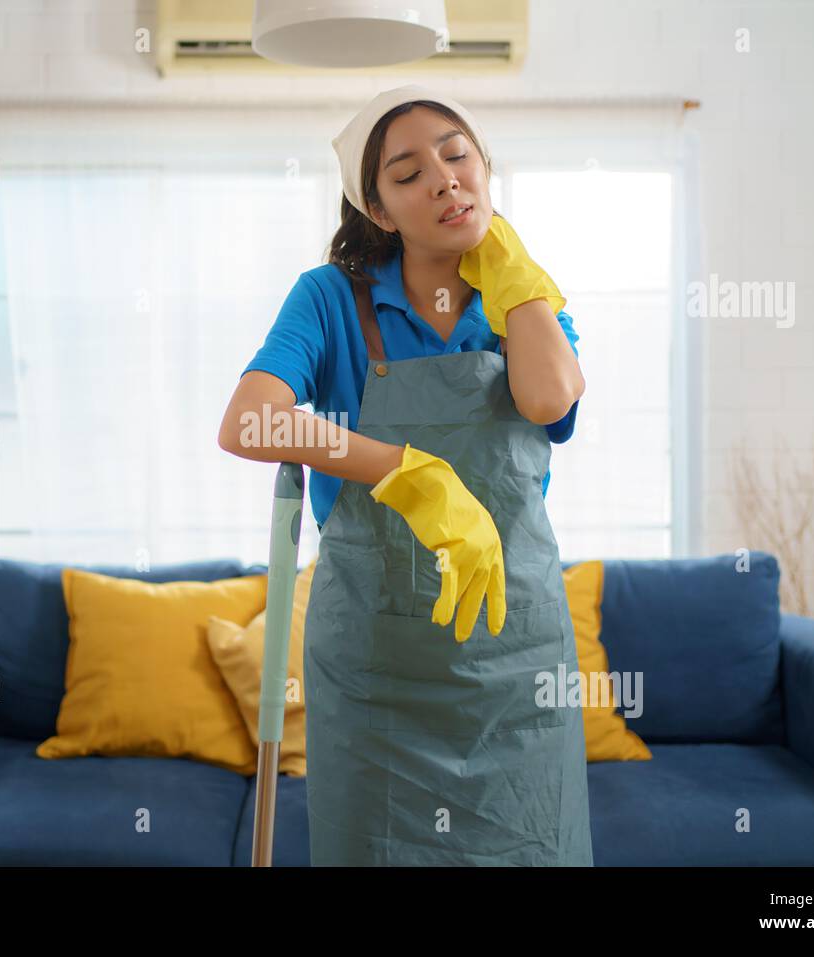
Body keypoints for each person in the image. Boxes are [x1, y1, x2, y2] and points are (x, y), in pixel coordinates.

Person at [217, 84, 593, 866]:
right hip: (372, 668)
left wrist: (512, 268)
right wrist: (402, 470)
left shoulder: (524, 302)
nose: (445, 179)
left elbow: (549, 397)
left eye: (458, 156)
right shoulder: (331, 299)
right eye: (409, 171)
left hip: (514, 656)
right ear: (380, 210)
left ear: (486, 169)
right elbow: (248, 421)